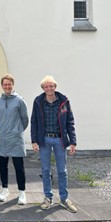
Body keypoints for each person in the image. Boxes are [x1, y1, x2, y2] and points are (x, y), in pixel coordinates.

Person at [31, 75, 77, 213]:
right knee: (45, 170)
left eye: (51, 86)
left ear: (55, 87)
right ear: (43, 88)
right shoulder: (38, 101)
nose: (49, 88)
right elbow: (34, 122)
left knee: (62, 171)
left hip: (59, 140)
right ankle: (48, 197)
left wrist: (73, 141)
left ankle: (64, 199)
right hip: (44, 139)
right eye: (46, 86)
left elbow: (70, 121)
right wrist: (34, 140)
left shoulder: (64, 101)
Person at [0, 74, 29, 205]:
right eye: (5, 84)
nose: (7, 86)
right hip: (2, 138)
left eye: (9, 84)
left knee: (18, 166)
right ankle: (4, 189)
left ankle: (22, 192)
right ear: (2, 86)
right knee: (2, 165)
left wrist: (17, 130)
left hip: (15, 138)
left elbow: (25, 119)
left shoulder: (19, 100)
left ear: (12, 85)